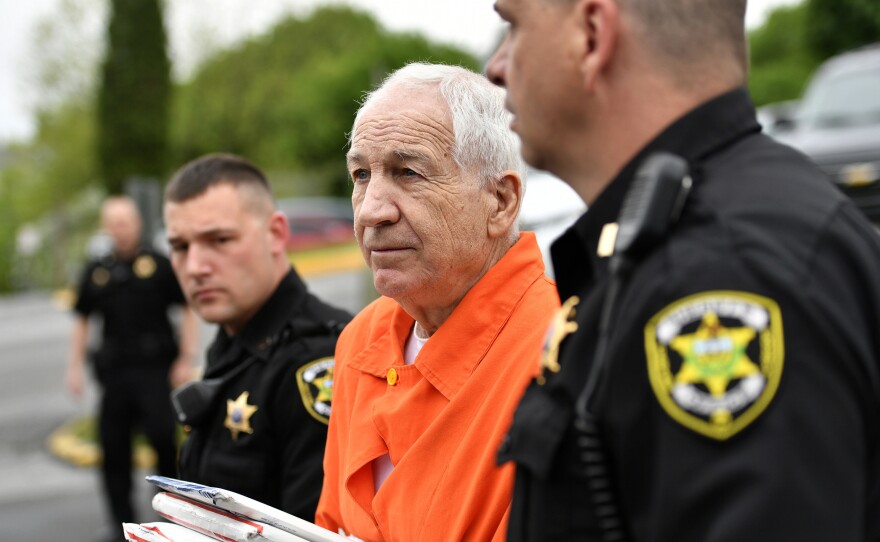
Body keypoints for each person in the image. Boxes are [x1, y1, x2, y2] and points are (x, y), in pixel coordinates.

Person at [486, 0, 880, 540]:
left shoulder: (719, 273)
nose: (497, 65)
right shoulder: (731, 223)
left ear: (592, 33)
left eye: (515, 28)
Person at [314, 62, 560, 541]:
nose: (371, 211)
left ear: (501, 201)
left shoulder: (560, 356)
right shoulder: (361, 340)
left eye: (408, 172)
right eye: (361, 174)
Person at [163, 153, 352, 520]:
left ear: (276, 234)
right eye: (180, 247)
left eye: (219, 239)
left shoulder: (316, 361)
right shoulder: (235, 344)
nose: (196, 267)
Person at [66, 195, 199, 538]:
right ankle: (121, 523)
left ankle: (168, 518)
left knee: (161, 441)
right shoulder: (98, 271)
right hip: (115, 375)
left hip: (155, 371)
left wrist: (187, 357)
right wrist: (74, 367)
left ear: (137, 223)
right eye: (114, 223)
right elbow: (82, 319)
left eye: (125, 221)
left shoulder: (156, 264)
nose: (120, 229)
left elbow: (186, 308)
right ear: (105, 227)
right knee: (113, 449)